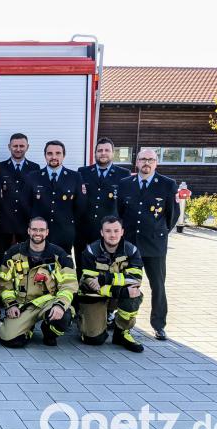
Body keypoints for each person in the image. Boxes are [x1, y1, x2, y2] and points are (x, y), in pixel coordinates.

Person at [117, 149, 179, 341]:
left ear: (156, 163)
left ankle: (159, 325)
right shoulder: (125, 183)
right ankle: (120, 319)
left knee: (157, 285)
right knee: (125, 283)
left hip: (154, 245)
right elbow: (119, 212)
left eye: (151, 159)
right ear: (136, 162)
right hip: (130, 244)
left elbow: (172, 215)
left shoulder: (168, 184)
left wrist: (158, 231)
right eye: (143, 159)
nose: (146, 162)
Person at [0, 217, 78, 347]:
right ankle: (25, 330)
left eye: (41, 230)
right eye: (34, 229)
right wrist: (11, 304)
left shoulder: (60, 255)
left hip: (49, 303)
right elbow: (4, 283)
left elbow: (69, 284)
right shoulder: (14, 253)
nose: (37, 233)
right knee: (10, 339)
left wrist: (60, 305)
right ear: (28, 231)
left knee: (64, 316)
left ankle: (49, 332)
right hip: (23, 305)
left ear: (47, 232)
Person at [77, 216, 145, 352]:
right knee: (94, 339)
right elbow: (88, 285)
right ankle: (83, 319)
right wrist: (120, 290)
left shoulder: (131, 251)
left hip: (112, 293)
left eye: (116, 231)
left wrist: (105, 279)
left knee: (134, 294)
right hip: (94, 297)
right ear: (102, 233)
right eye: (108, 231)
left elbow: (135, 280)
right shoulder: (91, 251)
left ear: (122, 232)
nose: (112, 235)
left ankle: (122, 332)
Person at [25, 140, 86, 254]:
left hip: (64, 234)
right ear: (45, 155)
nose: (54, 157)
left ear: (64, 155)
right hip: (39, 234)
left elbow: (80, 206)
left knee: (63, 264)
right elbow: (26, 204)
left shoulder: (75, 177)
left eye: (58, 153)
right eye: (50, 153)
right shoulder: (33, 177)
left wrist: (69, 225)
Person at [76, 138, 129, 260]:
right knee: (82, 264)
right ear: (95, 153)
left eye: (107, 150)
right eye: (100, 150)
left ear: (113, 153)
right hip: (84, 230)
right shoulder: (83, 172)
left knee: (107, 264)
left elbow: (125, 204)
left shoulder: (123, 174)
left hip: (109, 231)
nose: (103, 153)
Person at [0, 133, 40, 261]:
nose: (18, 149)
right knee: (2, 258)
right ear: (9, 147)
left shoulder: (35, 168)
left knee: (26, 258)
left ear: (27, 147)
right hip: (4, 222)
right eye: (15, 146)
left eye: (21, 146)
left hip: (26, 222)